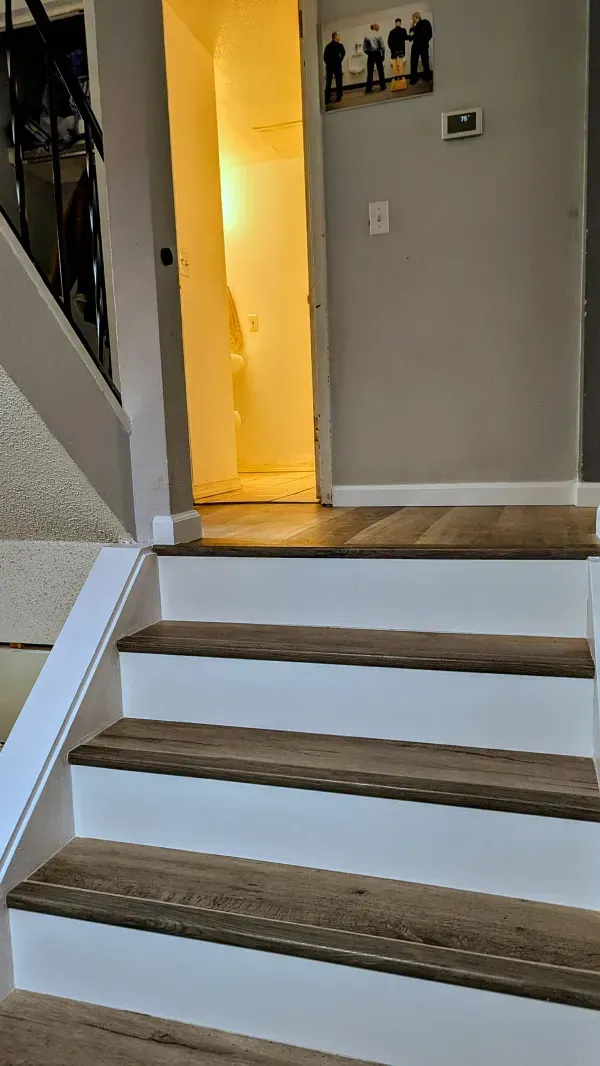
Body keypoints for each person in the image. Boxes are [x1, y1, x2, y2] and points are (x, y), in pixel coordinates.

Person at [409, 11, 433, 85]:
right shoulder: (414, 27)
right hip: (417, 46)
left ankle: (426, 77)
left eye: (413, 18)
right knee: (415, 62)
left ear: (416, 17)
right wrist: (411, 27)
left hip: (422, 45)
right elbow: (410, 38)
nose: (412, 19)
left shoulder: (425, 22)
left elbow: (430, 33)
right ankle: (415, 79)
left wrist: (425, 41)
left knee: (424, 62)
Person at [363, 23, 386, 94]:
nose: (378, 27)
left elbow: (364, 49)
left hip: (370, 55)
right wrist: (383, 55)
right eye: (377, 26)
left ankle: (368, 89)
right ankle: (383, 86)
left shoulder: (366, 36)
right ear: (374, 27)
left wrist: (369, 53)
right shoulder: (378, 35)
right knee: (380, 71)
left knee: (370, 71)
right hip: (377, 53)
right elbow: (382, 46)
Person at [324, 31, 345, 105]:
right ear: (335, 36)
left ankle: (327, 98)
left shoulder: (328, 46)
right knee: (338, 80)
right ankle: (339, 96)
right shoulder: (340, 45)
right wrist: (339, 60)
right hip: (337, 65)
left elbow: (325, 57)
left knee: (328, 82)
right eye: (338, 35)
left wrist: (328, 63)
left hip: (329, 66)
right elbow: (343, 53)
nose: (339, 37)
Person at [388, 17, 408, 85]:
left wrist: (392, 49)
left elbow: (389, 42)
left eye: (398, 22)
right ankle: (398, 77)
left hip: (395, 50)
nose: (398, 23)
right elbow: (406, 37)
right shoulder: (402, 30)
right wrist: (411, 35)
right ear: (397, 23)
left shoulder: (393, 32)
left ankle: (398, 77)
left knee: (397, 65)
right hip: (399, 50)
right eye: (398, 22)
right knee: (398, 65)